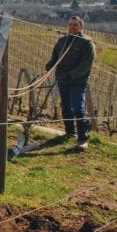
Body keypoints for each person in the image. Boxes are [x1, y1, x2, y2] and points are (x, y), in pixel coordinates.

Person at [45, 16, 96, 150]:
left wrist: (71, 75)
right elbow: (55, 58)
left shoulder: (87, 43)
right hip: (62, 80)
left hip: (77, 81)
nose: (72, 27)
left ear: (81, 27)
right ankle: (69, 132)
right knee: (66, 107)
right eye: (70, 24)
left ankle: (83, 138)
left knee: (78, 108)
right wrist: (49, 66)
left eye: (75, 25)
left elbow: (85, 65)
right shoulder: (62, 41)